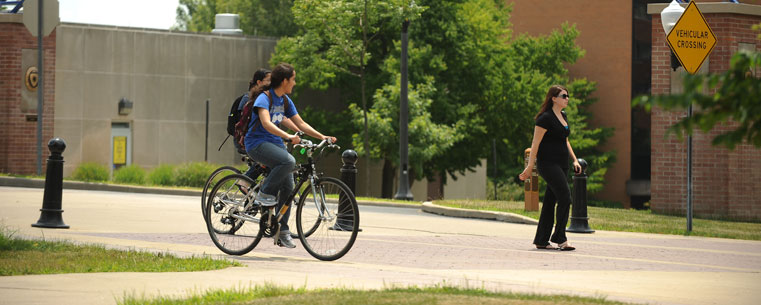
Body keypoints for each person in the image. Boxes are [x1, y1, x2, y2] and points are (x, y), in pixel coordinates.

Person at [244, 62, 336, 248]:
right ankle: (264, 193)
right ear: (285, 80)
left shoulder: (284, 100)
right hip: (257, 143)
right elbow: (266, 123)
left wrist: (322, 136)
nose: (295, 83)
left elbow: (300, 123)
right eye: (293, 79)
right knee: (289, 160)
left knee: (289, 187)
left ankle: (282, 230)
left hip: (275, 143)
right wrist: (287, 136)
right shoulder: (265, 97)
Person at [519, 85, 581, 251]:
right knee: (565, 197)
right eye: (563, 96)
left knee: (550, 201)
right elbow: (535, 143)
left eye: (568, 96)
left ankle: (541, 239)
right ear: (553, 98)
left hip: (562, 164)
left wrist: (574, 160)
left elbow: (565, 141)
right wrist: (530, 167)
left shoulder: (563, 115)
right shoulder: (544, 118)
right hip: (548, 164)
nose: (567, 98)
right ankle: (560, 237)